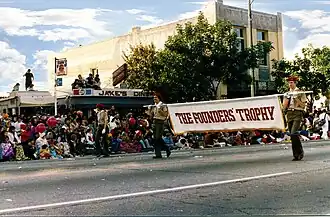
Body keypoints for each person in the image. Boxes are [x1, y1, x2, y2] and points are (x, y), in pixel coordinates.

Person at [283, 76, 307, 161]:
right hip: (289, 113)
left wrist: (296, 98)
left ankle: (300, 152)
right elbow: (284, 106)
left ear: (295, 83)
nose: (290, 84)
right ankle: (296, 154)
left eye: (291, 82)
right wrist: (286, 100)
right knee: (292, 135)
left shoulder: (301, 92)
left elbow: (303, 105)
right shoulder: (287, 93)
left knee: (293, 133)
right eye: (289, 82)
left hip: (297, 112)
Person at [146, 91, 171, 159]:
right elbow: (151, 115)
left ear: (159, 98)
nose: (154, 99)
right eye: (154, 98)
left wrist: (160, 110)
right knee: (155, 138)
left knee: (157, 138)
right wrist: (149, 110)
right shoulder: (154, 106)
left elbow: (165, 114)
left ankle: (166, 148)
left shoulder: (162, 105)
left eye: (156, 98)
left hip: (160, 122)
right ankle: (158, 154)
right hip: (155, 121)